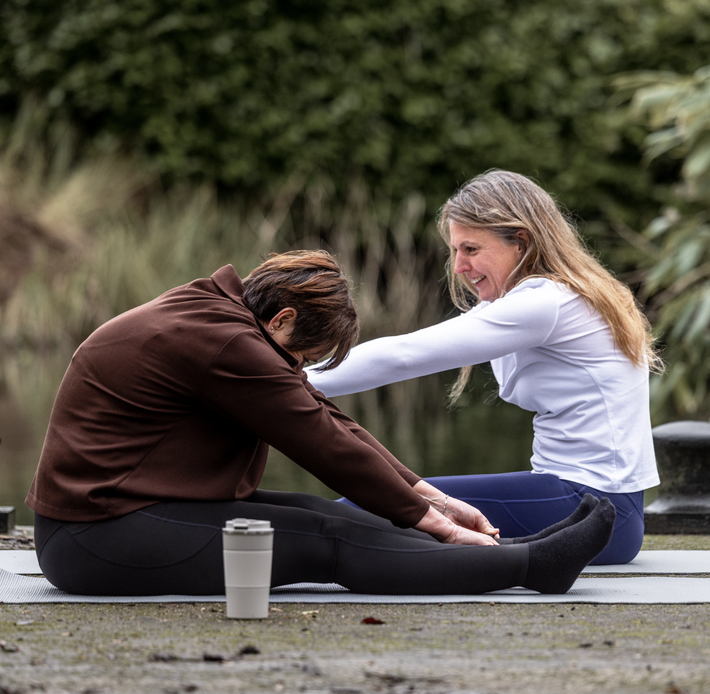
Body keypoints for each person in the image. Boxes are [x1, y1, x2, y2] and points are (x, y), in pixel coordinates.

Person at [26, 249, 615, 597]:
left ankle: (507, 548)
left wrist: (425, 495)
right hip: (97, 539)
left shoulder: (213, 314)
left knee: (327, 513)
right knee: (331, 540)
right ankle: (531, 567)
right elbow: (321, 442)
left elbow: (324, 417)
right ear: (282, 320)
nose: (298, 371)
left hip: (122, 517)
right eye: (302, 360)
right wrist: (433, 523)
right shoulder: (223, 342)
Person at [309, 171, 660, 565]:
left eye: (471, 249)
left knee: (363, 508)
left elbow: (402, 355)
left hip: (595, 511)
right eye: (456, 250)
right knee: (363, 505)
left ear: (521, 242)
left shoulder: (545, 302)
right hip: (596, 507)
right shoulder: (542, 298)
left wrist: (283, 383)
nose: (459, 266)